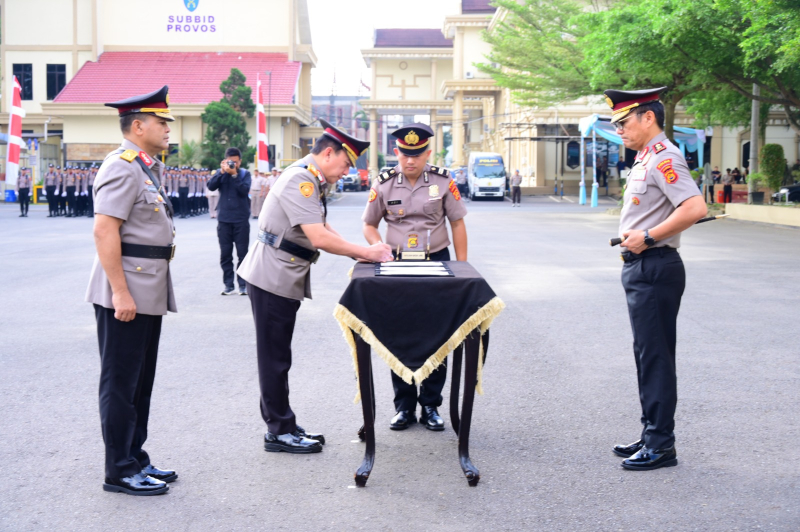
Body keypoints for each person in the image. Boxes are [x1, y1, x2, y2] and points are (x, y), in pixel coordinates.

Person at [237, 119, 392, 454]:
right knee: (274, 358)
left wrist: (362, 252)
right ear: (328, 152)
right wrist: (365, 251)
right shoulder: (301, 180)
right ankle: (279, 430)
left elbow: (323, 225)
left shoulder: (310, 178)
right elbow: (319, 238)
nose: (347, 171)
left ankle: (283, 423)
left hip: (281, 274)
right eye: (346, 162)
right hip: (272, 276)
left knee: (278, 355)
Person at [604, 86, 706, 470]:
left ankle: (661, 444)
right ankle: (652, 432)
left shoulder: (665, 157)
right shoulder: (646, 158)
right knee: (646, 355)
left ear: (649, 118)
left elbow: (695, 207)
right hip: (643, 266)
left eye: (625, 123)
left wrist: (647, 237)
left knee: (656, 356)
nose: (620, 131)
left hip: (655, 265)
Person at [85, 85, 178, 496]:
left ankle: (135, 456)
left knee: (141, 380)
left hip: (147, 286)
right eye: (162, 122)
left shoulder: (144, 167)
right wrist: (120, 292)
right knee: (121, 381)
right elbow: (105, 230)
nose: (168, 129)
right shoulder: (122, 166)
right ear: (137, 126)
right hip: (128, 289)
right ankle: (118, 469)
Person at [362, 123, 468, 432]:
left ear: (428, 153)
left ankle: (431, 405)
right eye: (406, 154)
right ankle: (404, 405)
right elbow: (369, 225)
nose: (411, 160)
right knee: (400, 333)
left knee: (439, 333)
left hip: (436, 260)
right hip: (396, 265)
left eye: (418, 154)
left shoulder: (443, 181)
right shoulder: (383, 185)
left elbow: (458, 224)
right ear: (396, 152)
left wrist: (461, 268)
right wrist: (376, 246)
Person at [207, 147, 252, 296]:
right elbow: (211, 186)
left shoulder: (245, 174)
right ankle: (228, 285)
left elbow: (244, 191)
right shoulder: (222, 174)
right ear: (225, 161)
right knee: (225, 254)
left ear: (240, 161)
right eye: (230, 161)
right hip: (224, 220)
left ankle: (243, 284)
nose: (233, 164)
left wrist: (234, 175)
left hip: (241, 220)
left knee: (242, 254)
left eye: (235, 162)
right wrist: (222, 172)